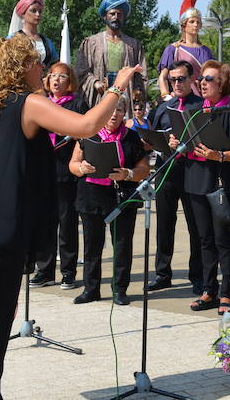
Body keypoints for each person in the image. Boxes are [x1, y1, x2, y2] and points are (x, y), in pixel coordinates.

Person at [0, 34, 142, 398]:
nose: (42, 68)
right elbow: (86, 126)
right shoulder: (25, 102)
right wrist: (117, 87)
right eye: (35, 62)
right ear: (19, 68)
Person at [183, 60, 230, 313]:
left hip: (224, 180)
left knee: (222, 237)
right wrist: (175, 139)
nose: (202, 82)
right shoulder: (196, 110)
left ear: (222, 83)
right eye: (202, 78)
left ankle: (227, 293)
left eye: (209, 79)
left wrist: (220, 156)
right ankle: (208, 290)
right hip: (196, 177)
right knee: (204, 239)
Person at [69, 96, 150, 306]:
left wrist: (129, 174)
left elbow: (144, 169)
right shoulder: (88, 133)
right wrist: (81, 168)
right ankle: (91, 289)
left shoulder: (131, 137)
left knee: (122, 244)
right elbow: (73, 163)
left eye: (120, 110)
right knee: (92, 245)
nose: (114, 114)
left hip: (121, 196)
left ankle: (119, 290)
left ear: (125, 113)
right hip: (91, 194)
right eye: (111, 110)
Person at [28, 62, 90, 290]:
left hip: (66, 171)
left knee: (67, 224)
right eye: (52, 76)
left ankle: (68, 272)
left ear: (70, 80)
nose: (56, 80)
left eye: (62, 76)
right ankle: (44, 271)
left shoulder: (77, 104)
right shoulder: (40, 103)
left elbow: (86, 134)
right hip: (43, 169)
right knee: (44, 222)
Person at [148, 60, 204, 294]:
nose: (177, 83)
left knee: (196, 225)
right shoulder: (163, 107)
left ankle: (198, 275)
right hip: (165, 169)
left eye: (181, 79)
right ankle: (163, 273)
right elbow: (151, 135)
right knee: (164, 223)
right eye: (173, 79)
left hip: (192, 170)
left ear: (192, 80)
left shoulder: (201, 105)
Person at [75, 0, 147, 108]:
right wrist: (94, 82)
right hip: (99, 96)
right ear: (105, 16)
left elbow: (142, 73)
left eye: (119, 14)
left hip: (125, 96)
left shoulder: (134, 45)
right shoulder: (91, 43)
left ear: (124, 17)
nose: (116, 17)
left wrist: (137, 89)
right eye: (112, 14)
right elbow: (80, 71)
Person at [158, 0, 215, 98]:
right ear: (184, 25)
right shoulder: (174, 49)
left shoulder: (206, 51)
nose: (195, 25)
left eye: (198, 22)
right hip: (180, 98)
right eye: (192, 22)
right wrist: (165, 95)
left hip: (203, 99)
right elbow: (163, 76)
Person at [8, 0, 58, 67]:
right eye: (33, 11)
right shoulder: (13, 39)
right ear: (23, 13)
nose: (37, 14)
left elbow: (56, 66)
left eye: (40, 11)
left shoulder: (47, 42)